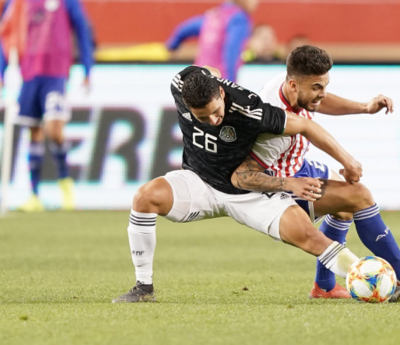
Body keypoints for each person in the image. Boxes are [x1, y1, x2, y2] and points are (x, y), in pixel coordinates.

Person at [112, 65, 370, 303]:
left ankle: (370, 279)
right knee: (144, 197)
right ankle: (143, 288)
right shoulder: (180, 84)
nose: (213, 121)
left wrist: (347, 161)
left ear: (221, 94)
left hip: (249, 191)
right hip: (199, 182)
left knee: (309, 237)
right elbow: (207, 71)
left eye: (215, 112)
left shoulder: (251, 109)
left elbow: (304, 126)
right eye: (202, 117)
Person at [231, 46, 400, 299]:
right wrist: (346, 161)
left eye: (324, 85)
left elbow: (319, 103)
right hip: (280, 185)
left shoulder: (285, 85)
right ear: (293, 85)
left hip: (297, 165)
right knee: (359, 195)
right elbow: (247, 174)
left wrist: (365, 107)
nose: (322, 94)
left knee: (345, 207)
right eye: (316, 87)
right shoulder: (275, 122)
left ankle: (324, 287)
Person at [0, 0, 94, 212]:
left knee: (54, 130)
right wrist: (0, 73)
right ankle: (34, 194)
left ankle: (64, 181)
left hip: (56, 73)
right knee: (34, 132)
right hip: (29, 73)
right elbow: (6, 34)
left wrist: (88, 68)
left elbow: (82, 29)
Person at [165, 0, 258, 82]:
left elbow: (183, 29)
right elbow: (231, 54)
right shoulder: (239, 19)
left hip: (198, 80)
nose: (257, 0)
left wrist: (172, 45)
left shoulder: (214, 15)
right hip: (218, 82)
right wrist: (231, 87)